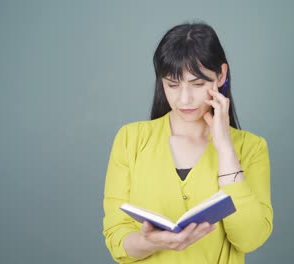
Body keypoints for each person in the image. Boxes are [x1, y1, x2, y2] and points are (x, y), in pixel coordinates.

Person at [102, 22, 273, 264]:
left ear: (221, 75)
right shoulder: (131, 140)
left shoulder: (251, 148)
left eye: (198, 84)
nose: (184, 98)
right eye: (172, 85)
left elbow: (249, 238)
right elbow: (116, 237)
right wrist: (151, 242)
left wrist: (225, 148)